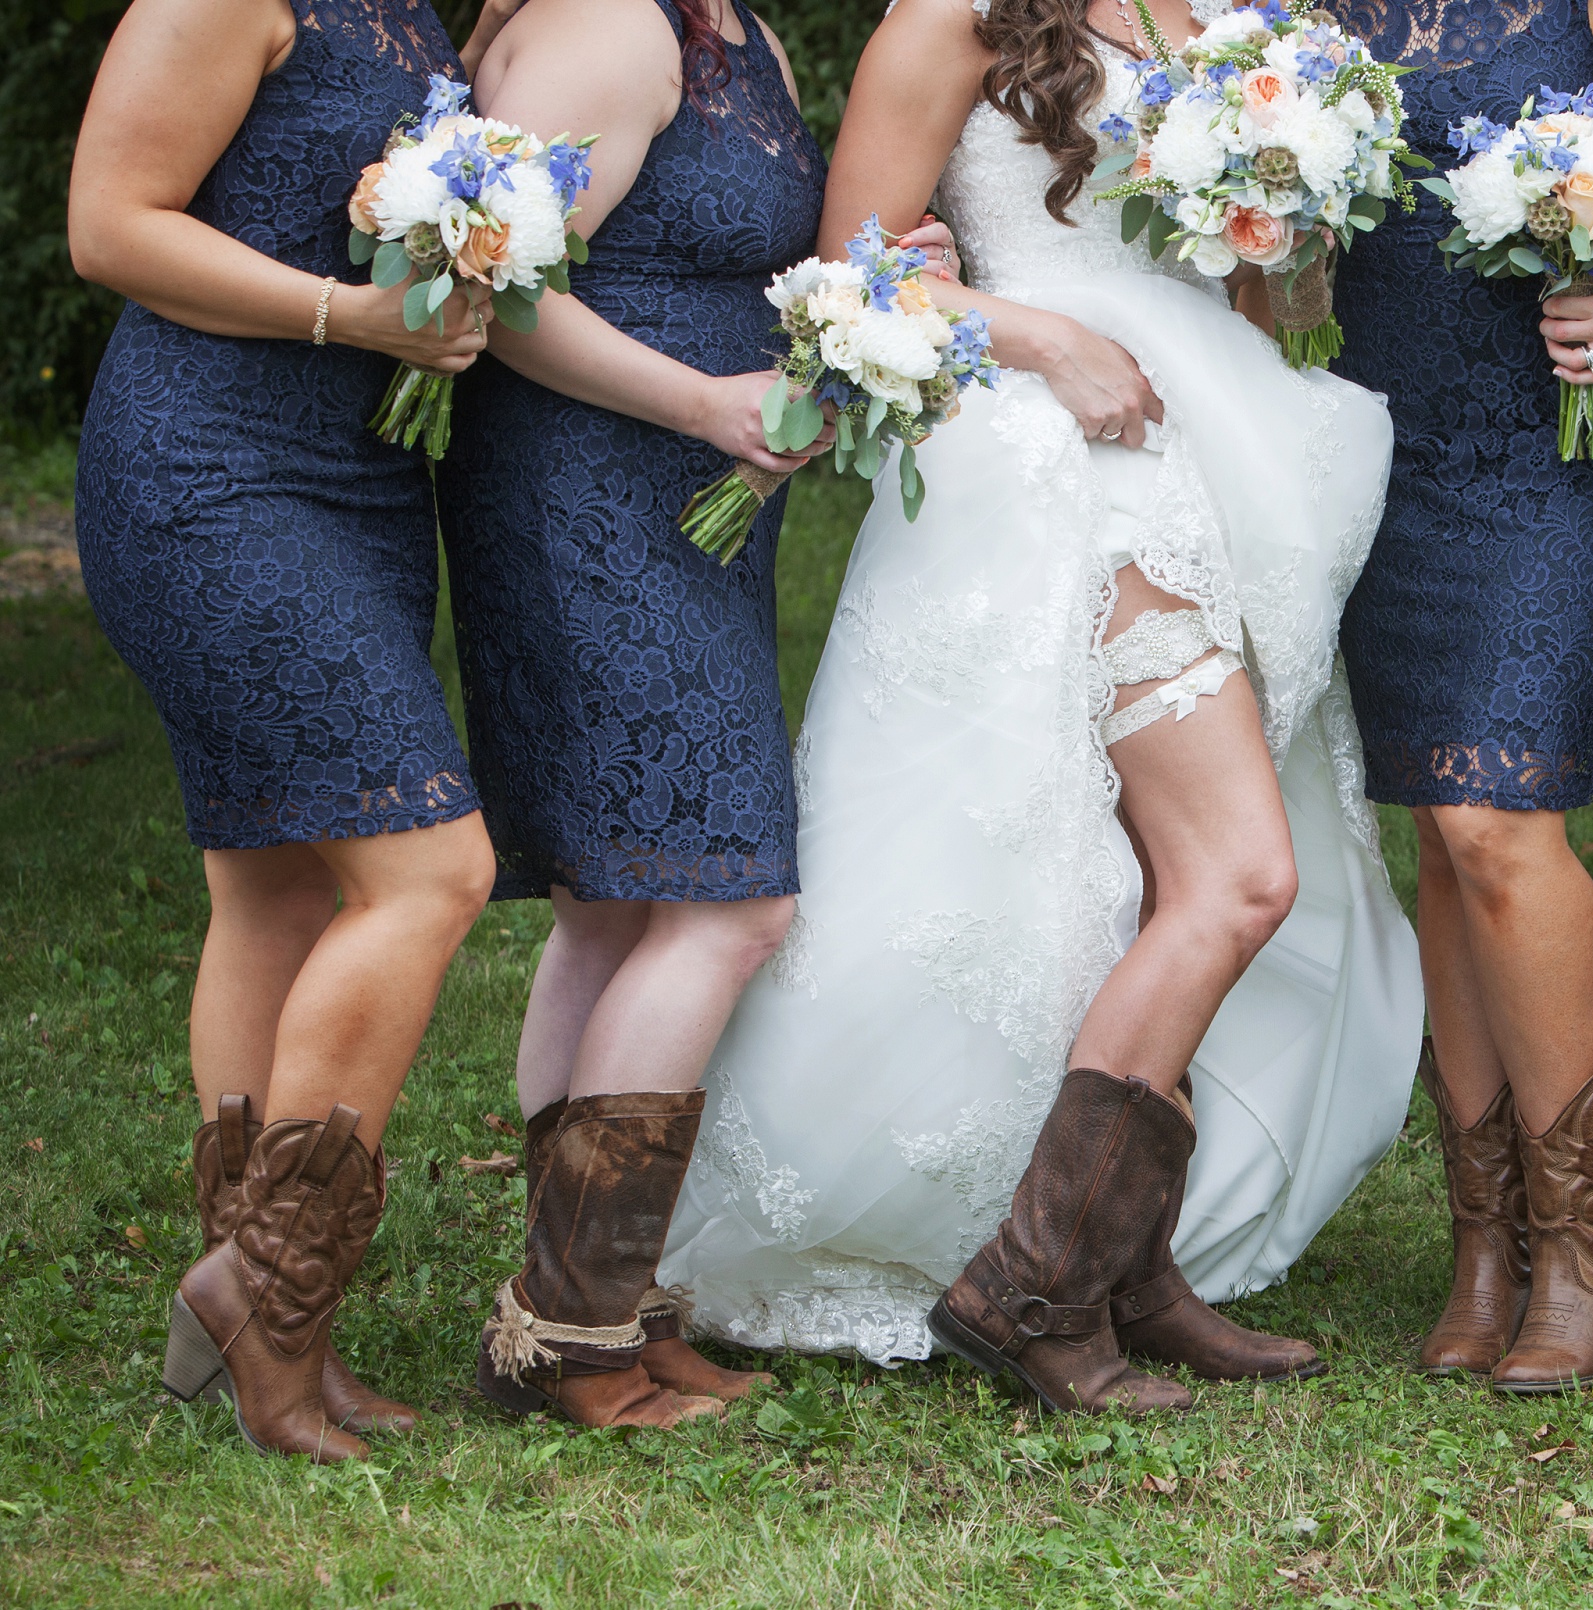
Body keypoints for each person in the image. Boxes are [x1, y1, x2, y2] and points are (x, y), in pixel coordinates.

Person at [654, 0, 1422, 1411]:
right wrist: (1038, 338)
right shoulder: (955, 16)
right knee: (1239, 878)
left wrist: (1292, 241)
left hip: (1212, 448)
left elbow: (1271, 307)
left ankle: (1125, 1263)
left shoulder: (1236, 25)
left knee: (1130, 880)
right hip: (1064, 471)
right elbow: (850, 271)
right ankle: (1035, 1282)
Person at [68, 0, 521, 1461]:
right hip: (209, 468)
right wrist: (354, 314)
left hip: (358, 476)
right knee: (431, 870)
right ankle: (263, 1301)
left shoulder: (410, 13)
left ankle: (282, 1337)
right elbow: (110, 225)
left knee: (267, 882)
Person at [437, 0, 833, 1429]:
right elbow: (501, 290)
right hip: (585, 491)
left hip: (689, 502)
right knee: (730, 905)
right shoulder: (609, 27)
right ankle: (573, 1326)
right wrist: (706, 407)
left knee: (616, 903)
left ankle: (598, 1306)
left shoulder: (744, 33)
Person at [1325, 0, 1593, 1393]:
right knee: (1439, 822)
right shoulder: (1310, 18)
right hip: (1387, 440)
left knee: (1496, 820)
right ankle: (1487, 1237)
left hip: (1557, 452)